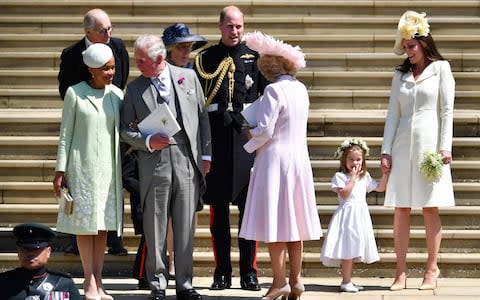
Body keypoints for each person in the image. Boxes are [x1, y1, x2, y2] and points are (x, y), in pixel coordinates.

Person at [120, 34, 211, 300]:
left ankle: (185, 284)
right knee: (155, 225)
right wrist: (148, 140)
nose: (136, 64)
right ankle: (157, 284)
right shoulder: (134, 89)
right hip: (154, 164)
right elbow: (125, 130)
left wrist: (206, 156)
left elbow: (203, 119)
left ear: (159, 59)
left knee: (185, 227)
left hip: (186, 161)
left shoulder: (188, 77)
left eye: (141, 60)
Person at [239, 31, 322, 300]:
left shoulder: (274, 90)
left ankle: (279, 282)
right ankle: (296, 281)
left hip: (275, 161)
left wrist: (248, 137)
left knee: (275, 224)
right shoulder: (300, 89)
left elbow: (265, 130)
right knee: (294, 224)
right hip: (298, 159)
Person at [194, 6, 269, 291]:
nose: (235, 31)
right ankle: (221, 272)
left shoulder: (254, 56)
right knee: (219, 212)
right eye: (230, 26)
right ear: (220, 26)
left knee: (247, 210)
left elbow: (265, 98)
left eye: (239, 26)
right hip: (215, 137)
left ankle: (249, 272)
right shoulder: (205, 58)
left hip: (244, 138)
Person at [381, 11, 455, 291]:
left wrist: (444, 147)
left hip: (429, 148)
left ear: (423, 43)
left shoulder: (441, 69)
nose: (407, 51)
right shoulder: (399, 74)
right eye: (404, 47)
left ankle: (431, 269)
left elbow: (447, 111)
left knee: (429, 207)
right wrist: (385, 150)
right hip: (401, 146)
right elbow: (392, 115)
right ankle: (400, 273)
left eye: (411, 46)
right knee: (400, 209)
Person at [53, 43, 124, 300]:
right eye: (106, 68)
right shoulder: (75, 93)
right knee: (85, 227)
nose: (111, 72)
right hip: (81, 167)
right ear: (92, 69)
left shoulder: (117, 94)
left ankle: (100, 281)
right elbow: (65, 135)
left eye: (113, 67)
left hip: (109, 169)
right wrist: (60, 170)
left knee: (103, 226)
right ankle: (88, 281)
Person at [57, 7, 129, 257]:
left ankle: (115, 239)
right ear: (88, 32)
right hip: (84, 129)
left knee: (108, 202)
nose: (108, 33)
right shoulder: (71, 57)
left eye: (110, 28)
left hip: (108, 135)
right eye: (102, 30)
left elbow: (122, 84)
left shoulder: (118, 51)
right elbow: (65, 92)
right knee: (83, 210)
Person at [320, 138, 388, 293]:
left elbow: (380, 188)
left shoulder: (365, 177)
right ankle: (345, 281)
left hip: (360, 216)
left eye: (358, 159)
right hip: (347, 217)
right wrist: (352, 178)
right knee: (347, 249)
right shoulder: (340, 176)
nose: (355, 163)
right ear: (344, 160)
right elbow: (344, 194)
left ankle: (348, 280)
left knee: (355, 248)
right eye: (351, 159)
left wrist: (385, 174)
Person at [0, 223, 81, 300]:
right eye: (25, 249)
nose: (30, 253)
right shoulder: (3, 282)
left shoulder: (63, 283)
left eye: (36, 249)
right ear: (18, 251)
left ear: (48, 252)